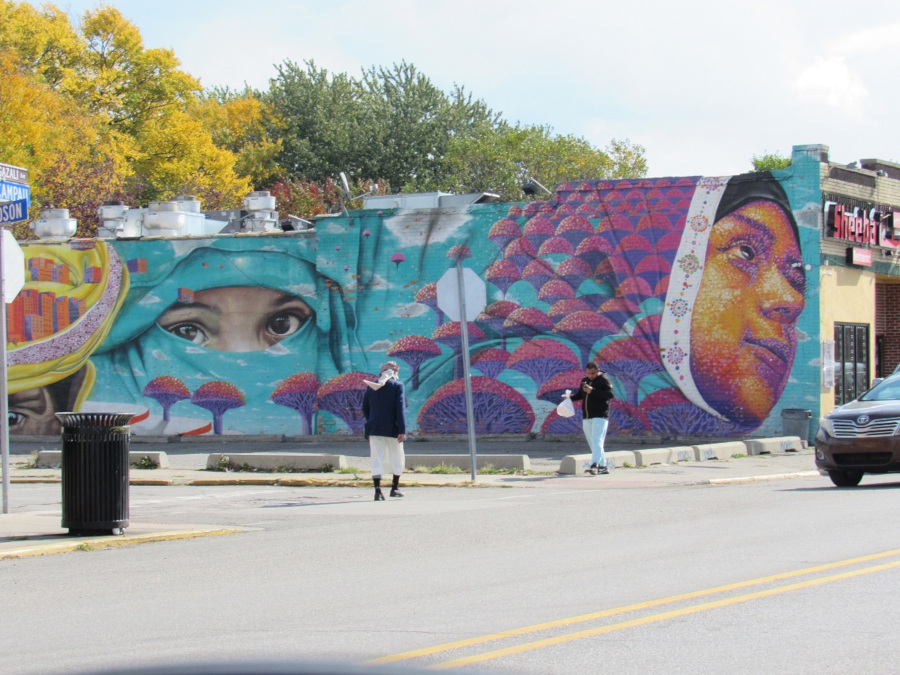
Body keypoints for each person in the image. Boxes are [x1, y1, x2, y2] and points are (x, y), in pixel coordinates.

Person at [362, 360, 407, 500]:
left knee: (376, 458)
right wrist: (402, 429)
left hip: (374, 427)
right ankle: (394, 488)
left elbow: (365, 408)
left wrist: (372, 421)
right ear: (395, 373)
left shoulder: (371, 386)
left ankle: (377, 491)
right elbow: (400, 409)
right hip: (393, 428)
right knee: (397, 456)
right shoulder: (397, 386)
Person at [567, 362, 614, 475]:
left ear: (598, 370)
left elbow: (610, 394)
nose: (591, 376)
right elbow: (580, 395)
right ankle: (603, 466)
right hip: (587, 416)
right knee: (593, 442)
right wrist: (569, 398)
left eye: (593, 373)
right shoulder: (585, 381)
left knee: (597, 440)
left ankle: (594, 464)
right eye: (588, 373)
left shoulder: (604, 380)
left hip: (600, 415)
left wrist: (593, 391)